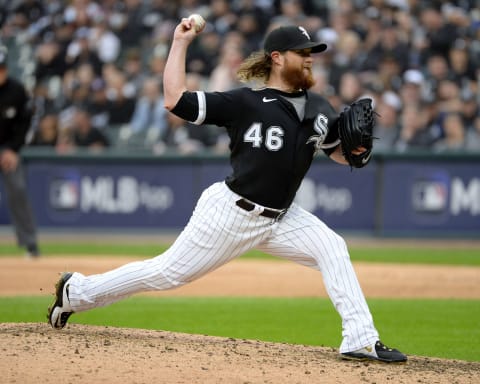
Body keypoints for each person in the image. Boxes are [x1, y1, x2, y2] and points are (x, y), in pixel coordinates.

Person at [48, 20, 407, 363]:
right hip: (232, 213)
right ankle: (76, 292)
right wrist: (180, 42)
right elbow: (175, 99)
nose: (310, 56)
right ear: (277, 58)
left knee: (332, 247)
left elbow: (335, 152)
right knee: (167, 273)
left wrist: (355, 154)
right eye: (302, 51)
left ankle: (360, 338)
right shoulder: (245, 103)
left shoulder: (320, 107)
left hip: (282, 217)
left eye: (312, 50)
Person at [0, 46, 40, 257]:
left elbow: (25, 124)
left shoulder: (16, 91)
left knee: (18, 190)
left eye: (2, 68)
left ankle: (30, 244)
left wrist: (13, 150)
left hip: (8, 150)